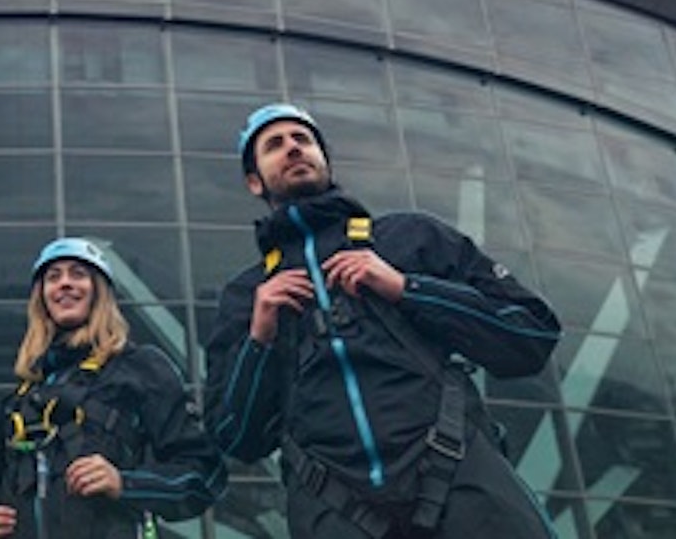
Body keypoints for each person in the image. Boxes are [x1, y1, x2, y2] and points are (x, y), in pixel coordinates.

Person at [204, 103, 562, 538]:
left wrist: (406, 288)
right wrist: (259, 338)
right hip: (332, 506)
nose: (293, 149)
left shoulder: (410, 239)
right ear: (254, 180)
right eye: (274, 145)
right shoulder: (247, 297)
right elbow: (233, 436)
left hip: (462, 484)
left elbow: (531, 334)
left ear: (325, 160)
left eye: (303, 139)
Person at [0, 237, 226, 539]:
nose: (65, 283)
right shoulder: (21, 398)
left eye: (78, 274)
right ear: (41, 297)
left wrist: (125, 483)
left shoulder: (140, 368)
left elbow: (204, 474)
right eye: (53, 277)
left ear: (100, 291)